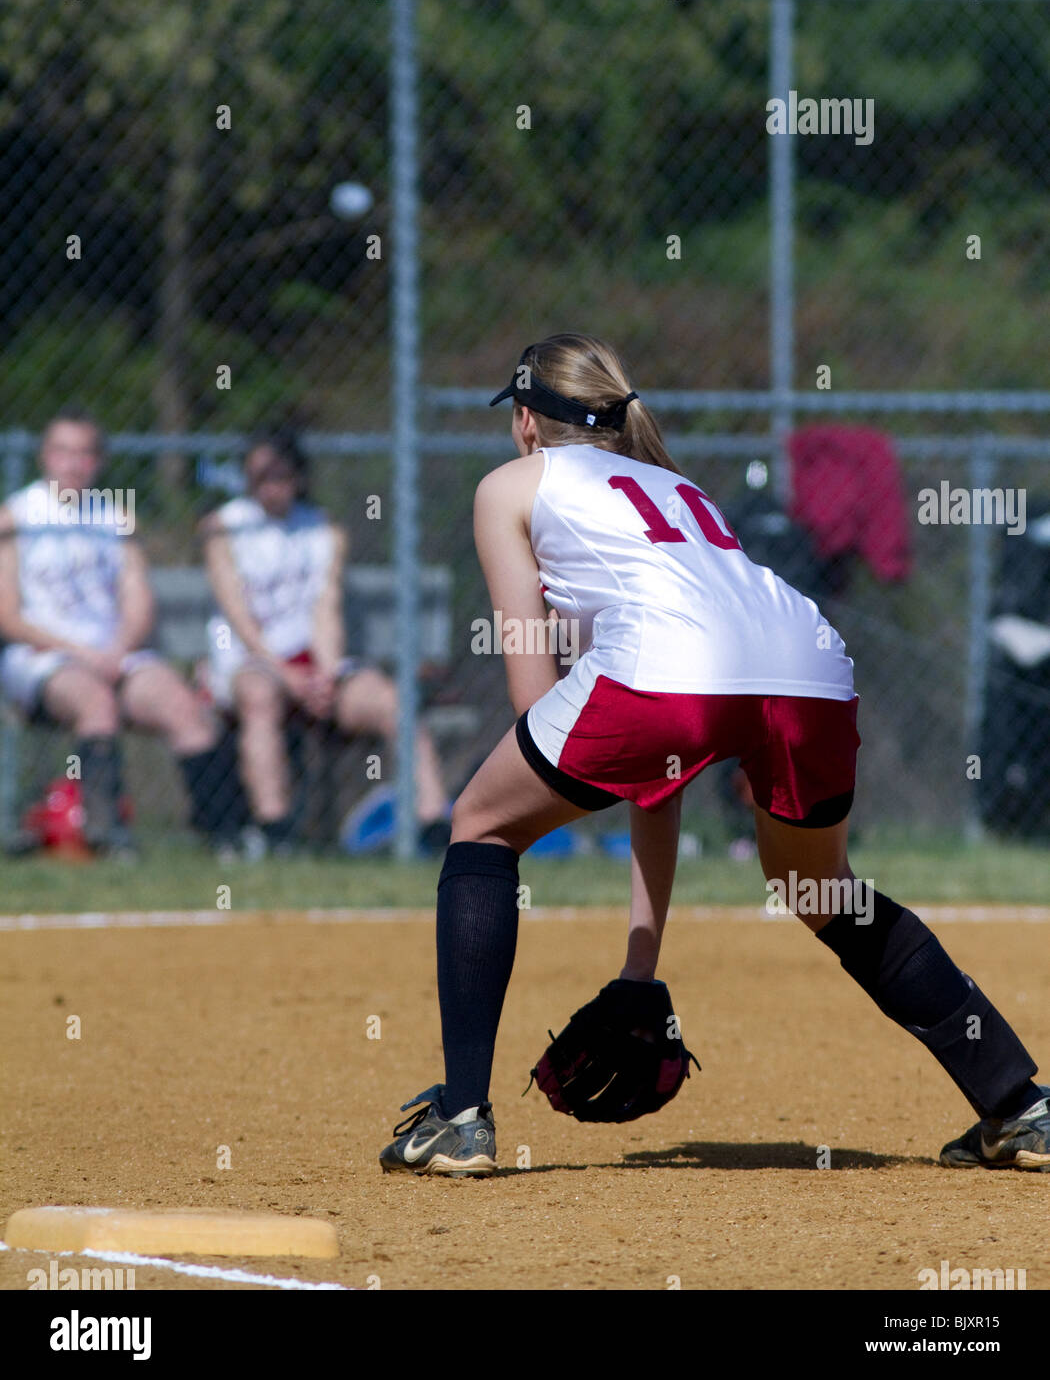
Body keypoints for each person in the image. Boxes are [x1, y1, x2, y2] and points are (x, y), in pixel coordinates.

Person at [378, 332, 1048, 1176]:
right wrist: (638, 966)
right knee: (819, 888)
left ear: (525, 421)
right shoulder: (677, 486)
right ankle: (1020, 1107)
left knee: (481, 824)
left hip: (669, 676)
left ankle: (460, 1116)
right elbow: (661, 769)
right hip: (810, 664)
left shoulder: (511, 484)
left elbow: (535, 701)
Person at [199, 429, 452, 856]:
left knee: (394, 702)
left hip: (316, 666)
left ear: (298, 476)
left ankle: (434, 828)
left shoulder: (323, 529)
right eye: (260, 475)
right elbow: (238, 616)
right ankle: (275, 832)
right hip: (253, 663)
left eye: (281, 474)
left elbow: (325, 608)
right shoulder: (222, 528)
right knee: (260, 698)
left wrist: (328, 675)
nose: (271, 485)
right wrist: (286, 675)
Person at [0, 408, 238, 856]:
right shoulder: (15, 517)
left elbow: (137, 601)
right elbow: (8, 616)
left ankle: (225, 838)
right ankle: (108, 837)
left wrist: (118, 649)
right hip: (41, 658)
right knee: (96, 702)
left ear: (99, 461)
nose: (73, 464)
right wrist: (82, 655)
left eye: (85, 453)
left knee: (182, 706)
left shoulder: (116, 519)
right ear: (45, 458)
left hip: (114, 652)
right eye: (63, 452)